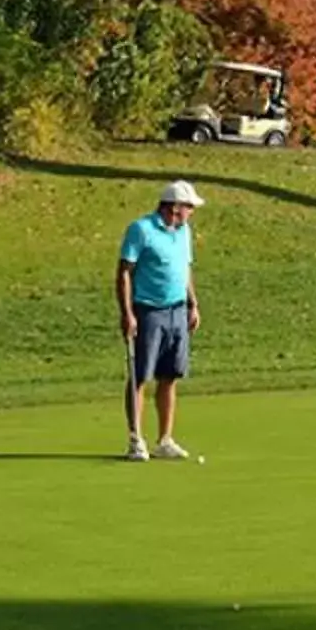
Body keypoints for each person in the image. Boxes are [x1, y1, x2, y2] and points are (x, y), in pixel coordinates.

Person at [117, 179, 204, 460]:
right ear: (174, 207)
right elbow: (124, 272)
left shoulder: (184, 231)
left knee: (170, 376)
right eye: (190, 207)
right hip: (148, 311)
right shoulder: (141, 229)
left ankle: (165, 439)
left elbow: (185, 268)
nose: (192, 212)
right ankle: (136, 439)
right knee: (140, 376)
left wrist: (193, 303)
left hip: (177, 311)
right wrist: (127, 313)